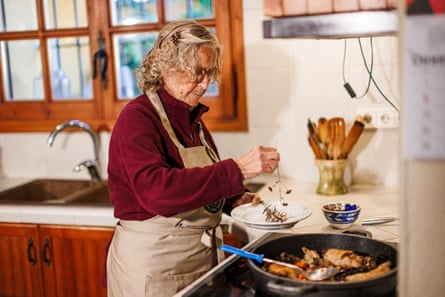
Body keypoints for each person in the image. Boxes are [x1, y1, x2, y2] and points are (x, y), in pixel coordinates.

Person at [106, 20, 280, 297]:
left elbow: (193, 187)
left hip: (200, 262)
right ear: (166, 67)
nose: (206, 84)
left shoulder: (192, 120)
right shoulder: (137, 119)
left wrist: (230, 199)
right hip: (154, 270)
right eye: (198, 73)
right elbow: (157, 192)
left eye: (210, 73)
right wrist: (237, 170)